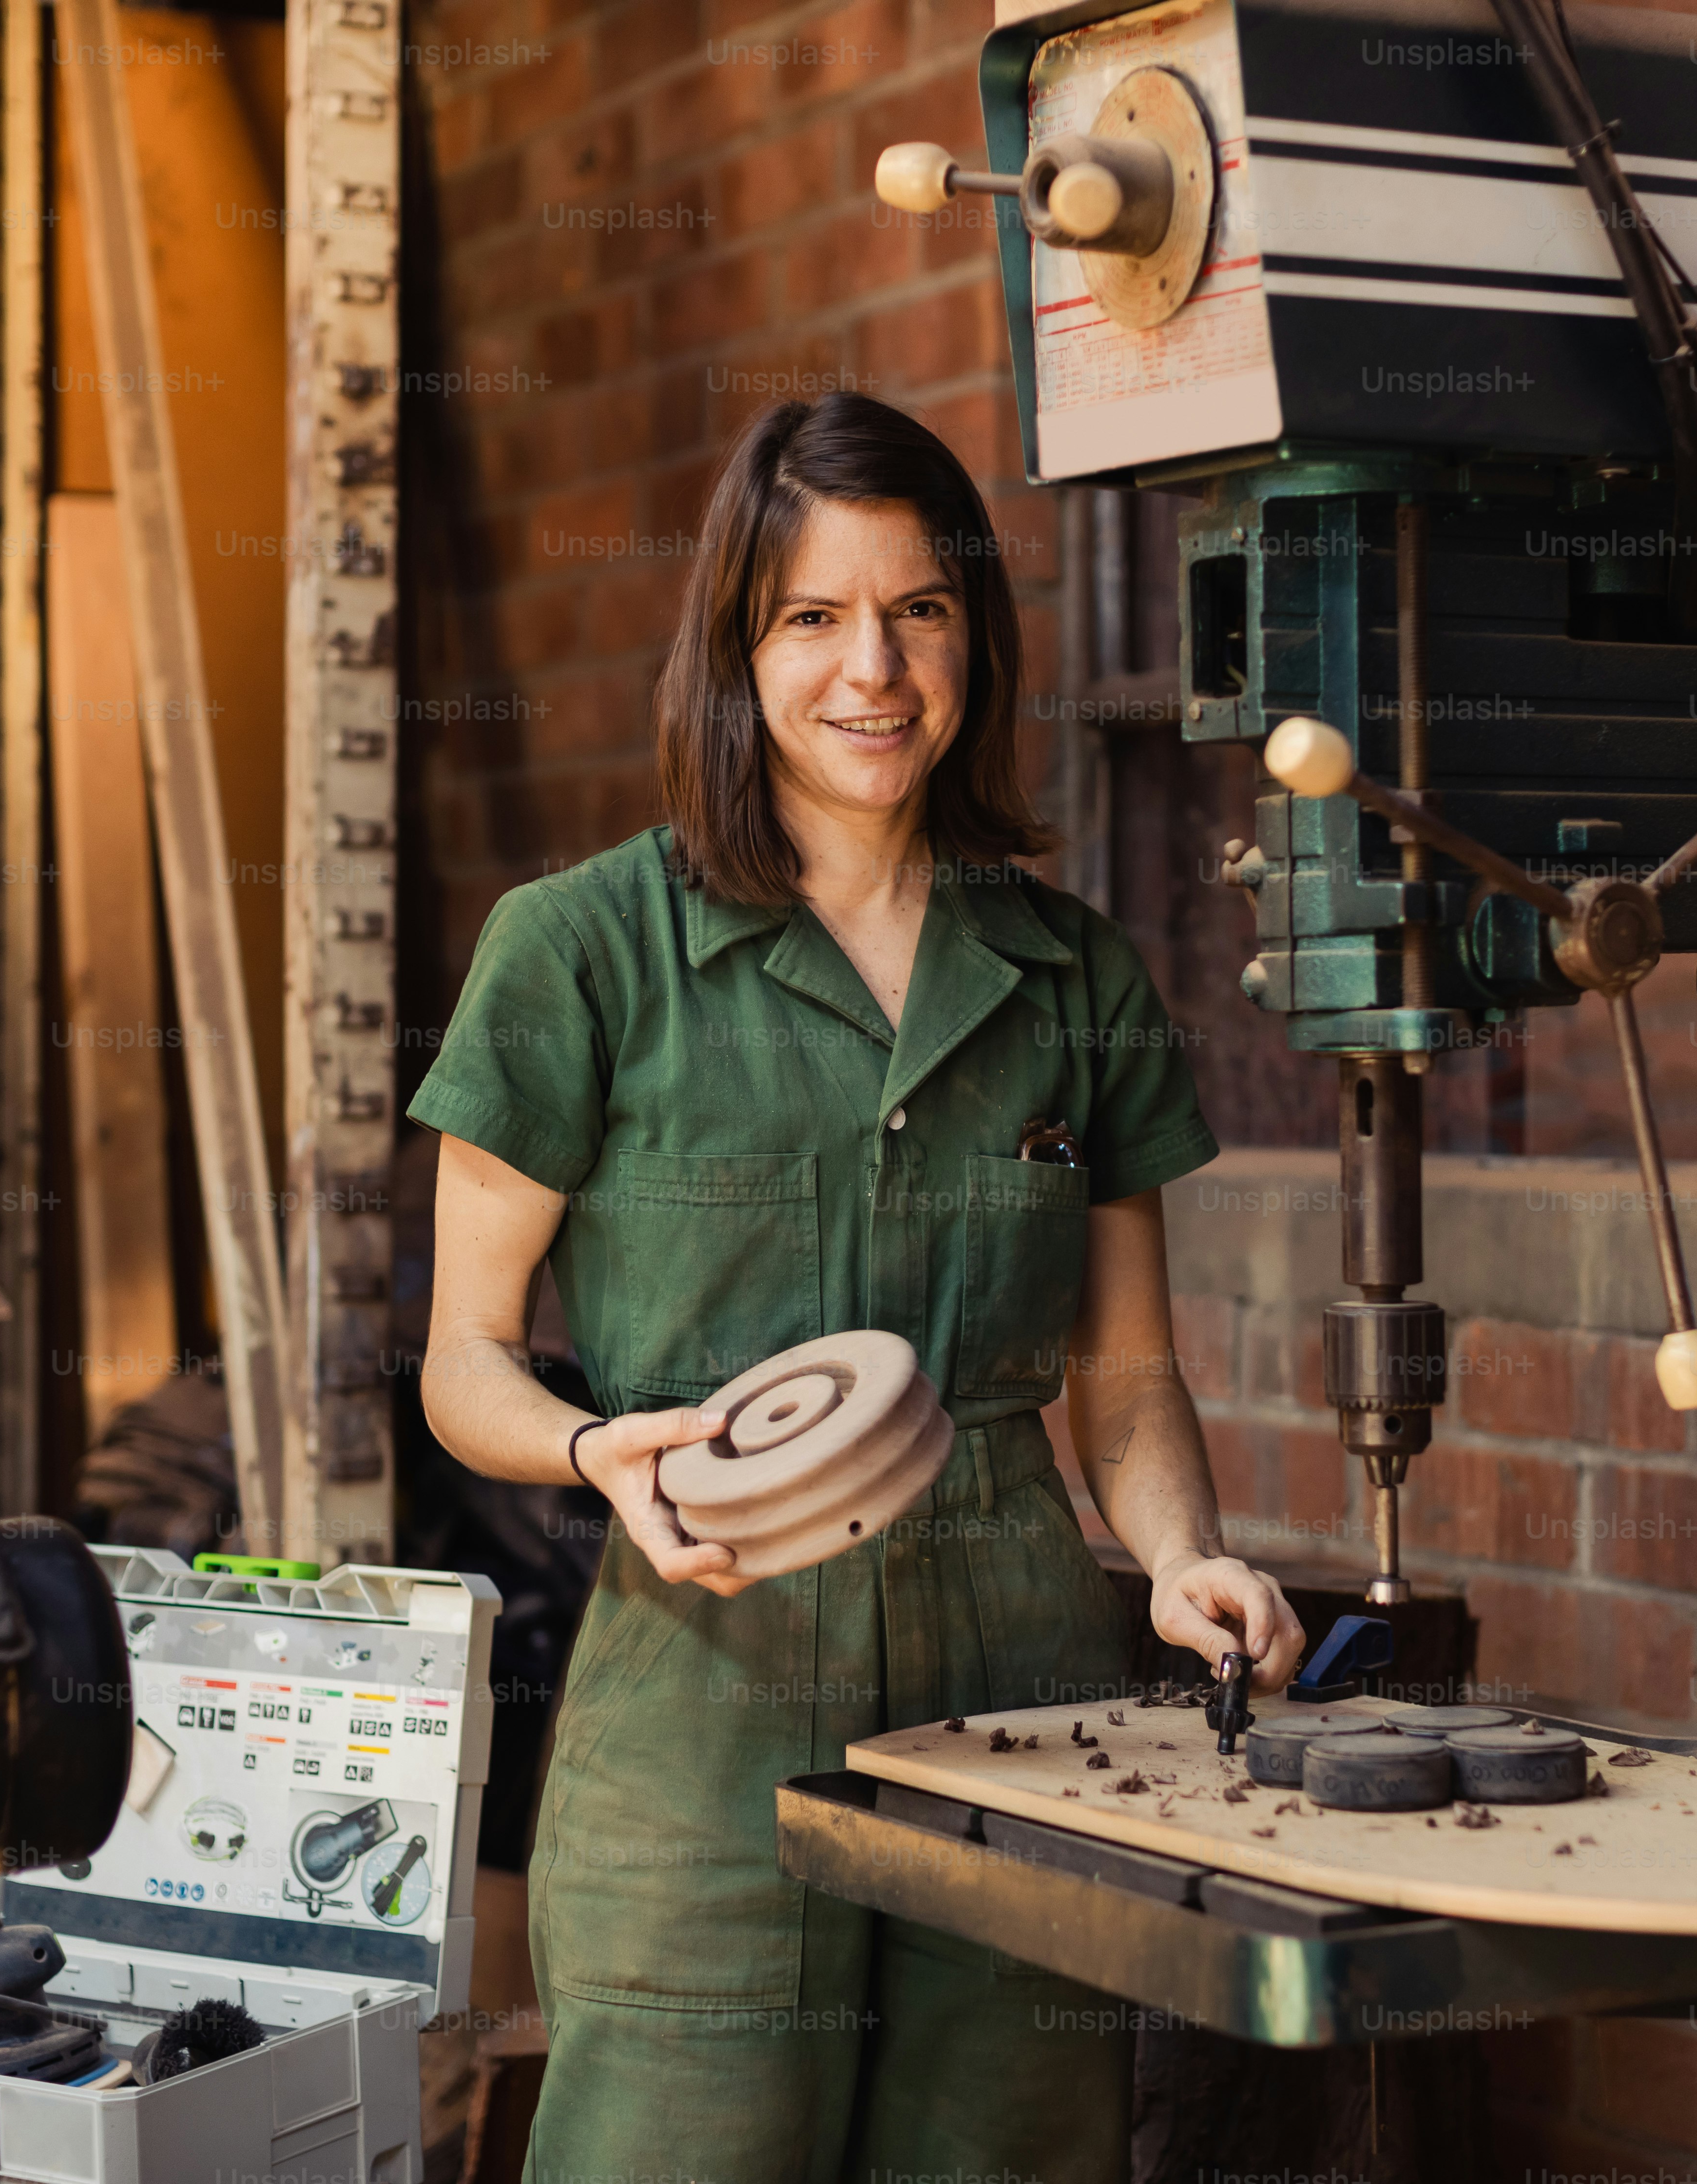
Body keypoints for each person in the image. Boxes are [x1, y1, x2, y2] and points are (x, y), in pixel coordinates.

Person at [414, 392, 1304, 2183]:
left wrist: (1187, 1553)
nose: (873, 669)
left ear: (975, 635)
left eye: (922, 611)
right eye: (813, 616)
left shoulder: (1069, 974)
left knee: (1007, 2154)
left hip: (1023, 1701)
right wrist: (607, 1459)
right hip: (704, 1686)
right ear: (738, 651)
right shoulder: (582, 950)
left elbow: (1121, 1378)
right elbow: (466, 1363)